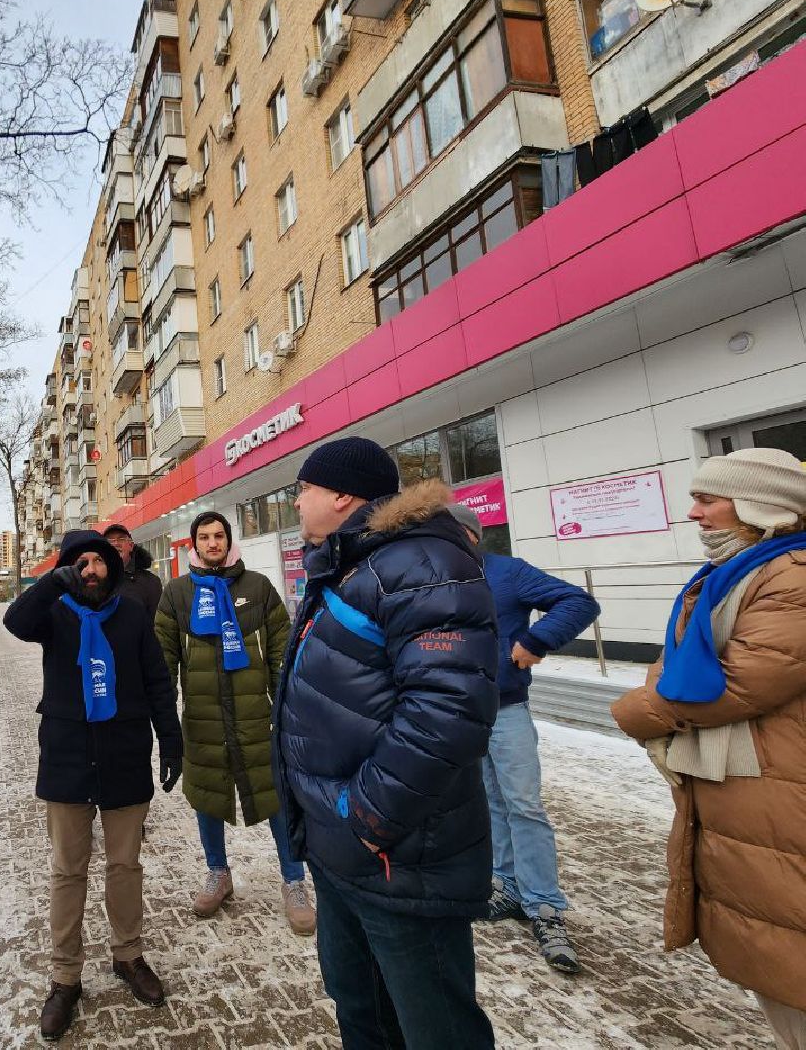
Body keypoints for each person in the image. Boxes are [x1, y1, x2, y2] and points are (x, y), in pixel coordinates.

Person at [273, 435, 498, 1050]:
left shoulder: (420, 565)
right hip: (344, 853)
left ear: (342, 495)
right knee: (362, 1011)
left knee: (435, 1029)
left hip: (399, 857)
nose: (297, 503)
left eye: (305, 490)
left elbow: (448, 711)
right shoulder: (353, 564)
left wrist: (367, 816)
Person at [611, 448, 806, 1049]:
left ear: (760, 507)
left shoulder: (792, 575)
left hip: (780, 791)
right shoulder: (740, 572)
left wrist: (637, 713)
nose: (694, 513)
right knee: (778, 962)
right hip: (753, 790)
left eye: (707, 499)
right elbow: (676, 665)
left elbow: (748, 679)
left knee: (791, 956)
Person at [3, 529, 185, 1043]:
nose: (90, 569)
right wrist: (49, 582)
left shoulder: (131, 614)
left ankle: (128, 956)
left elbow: (156, 681)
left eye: (97, 561)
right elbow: (15, 621)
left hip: (125, 757)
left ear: (111, 565)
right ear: (67, 570)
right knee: (68, 869)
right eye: (78, 563)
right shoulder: (53, 613)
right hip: (66, 758)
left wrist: (170, 742)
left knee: (125, 864)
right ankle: (65, 977)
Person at [447, 504, 600, 975]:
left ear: (469, 537)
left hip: (507, 709)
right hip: (463, 711)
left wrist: (536, 641)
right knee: (490, 800)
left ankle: (544, 906)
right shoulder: (444, 579)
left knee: (524, 804)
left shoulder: (507, 572)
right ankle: (507, 886)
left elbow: (578, 601)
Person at [153, 510, 311, 934]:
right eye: (204, 537)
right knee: (207, 798)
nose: (212, 543)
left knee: (275, 794)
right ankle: (218, 873)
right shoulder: (178, 594)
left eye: (219, 535)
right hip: (202, 717)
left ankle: (294, 881)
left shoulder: (257, 588)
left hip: (256, 716)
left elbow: (282, 647)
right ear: (194, 544)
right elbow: (163, 660)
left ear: (228, 540)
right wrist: (164, 716)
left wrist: (286, 704)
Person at [104, 523, 162, 612]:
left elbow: (156, 622)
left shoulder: (151, 582)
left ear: (131, 545)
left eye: (121, 539)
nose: (116, 543)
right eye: (110, 540)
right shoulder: (95, 579)